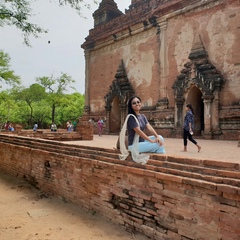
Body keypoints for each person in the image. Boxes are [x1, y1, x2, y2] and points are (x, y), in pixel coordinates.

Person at [119, 96, 166, 164]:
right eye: (134, 103)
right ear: (131, 106)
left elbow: (149, 127)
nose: (137, 104)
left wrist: (157, 136)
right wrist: (151, 141)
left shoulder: (142, 116)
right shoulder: (131, 117)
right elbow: (139, 132)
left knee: (161, 138)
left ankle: (158, 151)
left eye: (138, 102)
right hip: (134, 145)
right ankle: (161, 155)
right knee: (158, 144)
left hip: (142, 142)